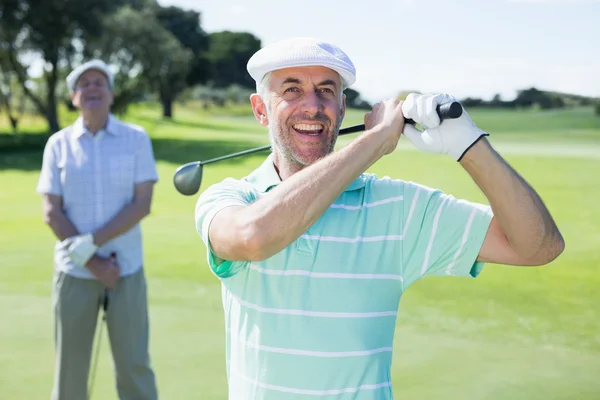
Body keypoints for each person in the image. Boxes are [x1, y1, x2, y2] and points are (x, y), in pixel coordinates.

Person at [194, 37, 564, 399]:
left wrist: (469, 144)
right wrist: (377, 141)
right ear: (261, 109)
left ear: (341, 109)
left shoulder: (397, 207)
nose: (312, 106)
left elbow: (537, 246)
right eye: (291, 90)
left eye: (326, 91)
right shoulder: (232, 199)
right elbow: (253, 238)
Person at [36, 59, 159, 400]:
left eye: (99, 82)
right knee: (70, 371)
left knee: (134, 367)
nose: (92, 88)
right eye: (84, 83)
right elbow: (52, 212)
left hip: (127, 270)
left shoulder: (136, 139)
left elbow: (141, 203)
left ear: (111, 94)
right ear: (74, 97)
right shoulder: (58, 144)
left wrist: (90, 244)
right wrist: (93, 260)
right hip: (74, 274)